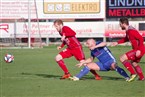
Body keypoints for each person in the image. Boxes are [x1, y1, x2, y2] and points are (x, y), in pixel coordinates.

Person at [111, 17, 145, 81]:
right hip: (140, 49)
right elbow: (126, 39)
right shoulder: (128, 31)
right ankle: (142, 77)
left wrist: (139, 50)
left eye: (120, 24)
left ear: (123, 24)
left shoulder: (131, 31)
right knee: (134, 63)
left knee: (122, 58)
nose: (120, 25)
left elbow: (141, 38)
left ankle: (133, 74)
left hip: (139, 49)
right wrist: (117, 42)